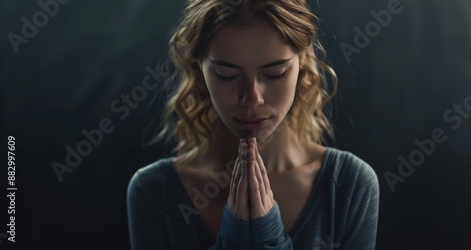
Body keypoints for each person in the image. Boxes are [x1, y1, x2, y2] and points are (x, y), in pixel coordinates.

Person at [127, 0, 379, 249]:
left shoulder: (349, 185)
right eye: (227, 75)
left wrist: (265, 235)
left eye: (275, 73)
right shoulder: (153, 192)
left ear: (301, 62)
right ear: (199, 69)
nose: (252, 98)